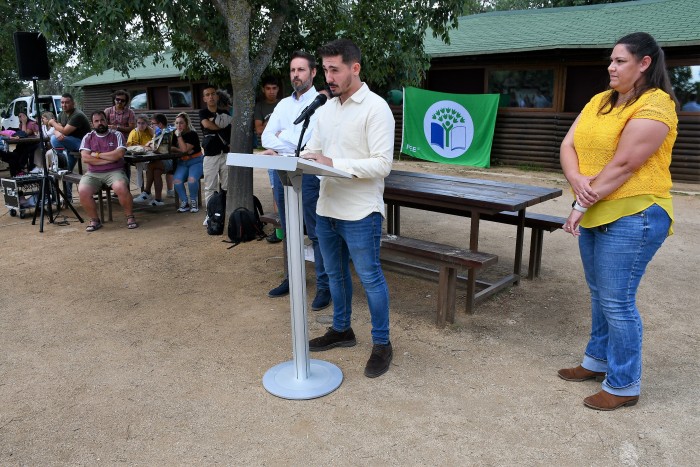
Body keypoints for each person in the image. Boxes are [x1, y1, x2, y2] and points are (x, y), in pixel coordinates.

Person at [558, 32, 677, 411]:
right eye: (610, 60)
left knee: (618, 301)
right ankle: (597, 361)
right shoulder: (600, 101)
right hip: (597, 207)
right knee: (600, 294)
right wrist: (576, 178)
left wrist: (579, 201)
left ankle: (624, 384)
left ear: (644, 64)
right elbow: (568, 145)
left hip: (635, 212)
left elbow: (626, 164)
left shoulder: (657, 105)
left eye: (620, 61)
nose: (611, 67)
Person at [302, 39, 395, 378]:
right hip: (327, 207)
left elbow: (383, 164)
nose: (328, 76)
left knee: (370, 277)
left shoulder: (376, 108)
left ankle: (382, 343)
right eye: (325, 69)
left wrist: (333, 162)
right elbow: (314, 151)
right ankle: (342, 330)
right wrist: (296, 159)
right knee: (336, 275)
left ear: (355, 68)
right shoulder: (325, 109)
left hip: (360, 212)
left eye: (334, 69)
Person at [261, 50, 331, 312]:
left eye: (301, 70)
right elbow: (267, 137)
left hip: (309, 173)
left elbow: (312, 141)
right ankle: (293, 278)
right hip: (283, 173)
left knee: (316, 231)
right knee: (289, 228)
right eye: (292, 70)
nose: (296, 75)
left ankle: (324, 286)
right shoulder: (283, 105)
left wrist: (284, 140)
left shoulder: (322, 103)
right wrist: (289, 142)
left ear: (313, 73)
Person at [78, 110, 138, 232]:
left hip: (115, 171)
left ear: (106, 121)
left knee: (121, 187)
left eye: (102, 120)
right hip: (93, 173)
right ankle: (95, 220)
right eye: (96, 121)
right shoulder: (88, 137)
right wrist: (109, 159)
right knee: (83, 190)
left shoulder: (117, 135)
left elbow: (119, 154)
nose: (100, 123)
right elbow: (85, 158)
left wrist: (97, 155)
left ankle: (130, 217)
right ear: (92, 124)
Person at [46, 93, 92, 198]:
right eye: (62, 102)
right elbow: (59, 129)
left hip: (83, 144)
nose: (64, 105)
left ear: (73, 103)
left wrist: (52, 123)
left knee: (54, 139)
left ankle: (59, 159)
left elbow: (64, 131)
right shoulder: (62, 114)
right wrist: (57, 132)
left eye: (67, 102)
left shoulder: (77, 115)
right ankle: (68, 198)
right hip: (70, 144)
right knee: (67, 171)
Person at [199, 85, 232, 224]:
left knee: (226, 186)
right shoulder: (203, 113)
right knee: (210, 187)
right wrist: (220, 125)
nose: (211, 96)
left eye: (213, 94)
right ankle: (210, 213)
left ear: (217, 96)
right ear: (204, 98)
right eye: (208, 94)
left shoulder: (224, 112)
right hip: (210, 154)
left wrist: (217, 124)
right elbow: (207, 125)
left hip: (225, 153)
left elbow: (228, 129)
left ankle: (224, 212)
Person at [127, 115, 165, 206]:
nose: (141, 125)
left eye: (143, 123)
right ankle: (147, 193)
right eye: (139, 123)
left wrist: (152, 131)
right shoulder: (134, 132)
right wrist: (146, 146)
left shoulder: (151, 131)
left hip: (153, 157)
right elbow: (130, 146)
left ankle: (147, 193)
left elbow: (156, 142)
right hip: (139, 157)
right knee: (151, 167)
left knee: (153, 167)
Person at [171, 112, 204, 213]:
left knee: (192, 180)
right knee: (177, 181)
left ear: (186, 123)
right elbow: (171, 148)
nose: (178, 125)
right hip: (183, 162)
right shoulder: (173, 134)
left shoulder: (192, 134)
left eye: (181, 123)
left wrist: (179, 137)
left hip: (196, 161)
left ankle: (193, 201)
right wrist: (179, 150)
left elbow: (184, 150)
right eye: (176, 123)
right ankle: (185, 201)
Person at [149, 113, 175, 198]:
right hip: (164, 160)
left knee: (150, 165)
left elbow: (159, 150)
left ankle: (146, 191)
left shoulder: (166, 133)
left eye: (153, 123)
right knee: (156, 171)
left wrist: (151, 145)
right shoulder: (160, 132)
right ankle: (158, 199)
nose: (151, 125)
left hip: (173, 161)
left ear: (160, 124)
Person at [254, 76, 280, 146]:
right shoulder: (259, 106)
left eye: (274, 88)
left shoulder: (284, 104)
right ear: (263, 89)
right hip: (265, 146)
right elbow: (259, 130)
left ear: (278, 89)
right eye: (268, 88)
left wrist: (267, 124)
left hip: (283, 145)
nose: (271, 92)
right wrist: (278, 125)